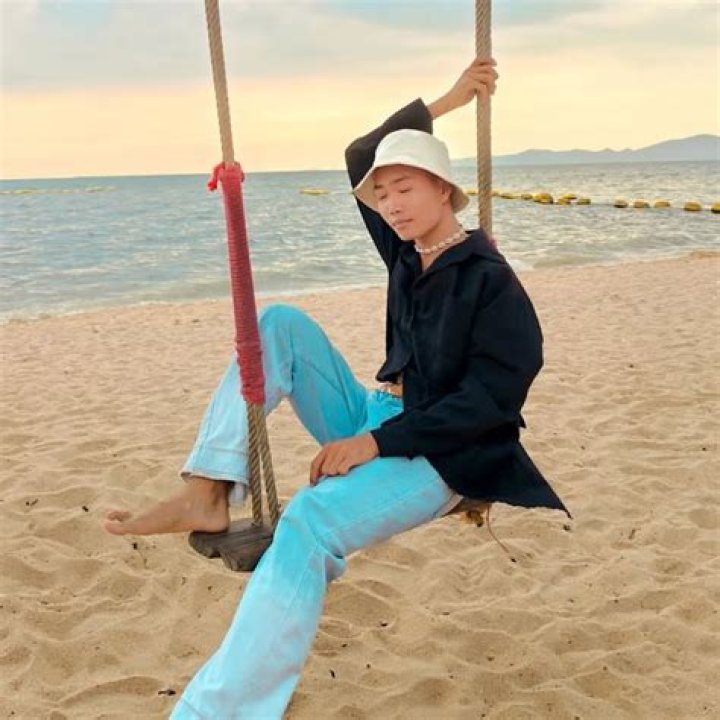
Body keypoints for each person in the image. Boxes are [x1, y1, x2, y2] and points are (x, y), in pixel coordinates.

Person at [104, 56, 570, 719]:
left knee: (309, 520)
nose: (391, 204)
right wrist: (448, 100)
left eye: (405, 188)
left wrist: (375, 444)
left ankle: (214, 713)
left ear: (443, 189)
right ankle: (207, 491)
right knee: (280, 326)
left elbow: (489, 405)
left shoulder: (491, 282)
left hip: (444, 455)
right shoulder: (407, 250)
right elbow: (360, 153)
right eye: (383, 195)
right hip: (378, 414)